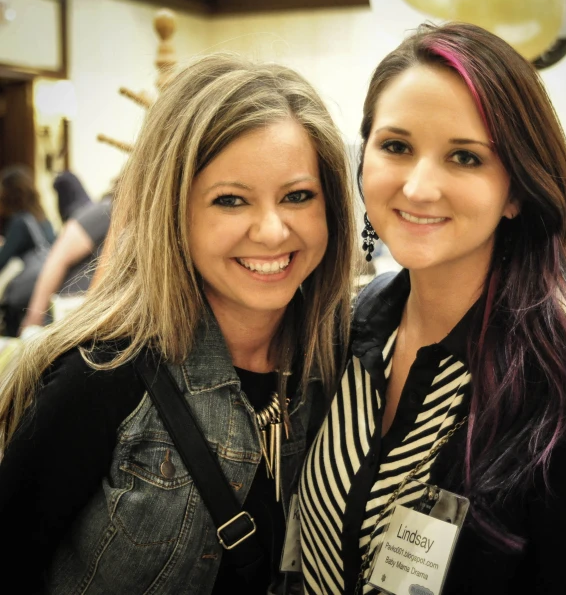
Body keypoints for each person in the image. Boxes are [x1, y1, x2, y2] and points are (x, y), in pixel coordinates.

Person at [298, 22, 566, 594]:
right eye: (396, 146)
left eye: (464, 157)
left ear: (516, 192)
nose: (419, 187)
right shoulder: (347, 330)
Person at [0, 53, 355, 594]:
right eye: (231, 200)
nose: (272, 230)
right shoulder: (104, 375)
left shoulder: (338, 364)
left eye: (298, 196)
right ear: (175, 211)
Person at [19, 191, 113, 332]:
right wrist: (34, 320)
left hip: (88, 319)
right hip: (65, 317)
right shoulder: (106, 211)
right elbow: (57, 258)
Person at [0, 165, 56, 336]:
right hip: (47, 293)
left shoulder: (20, 222)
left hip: (25, 299)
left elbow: (2, 261)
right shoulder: (43, 219)